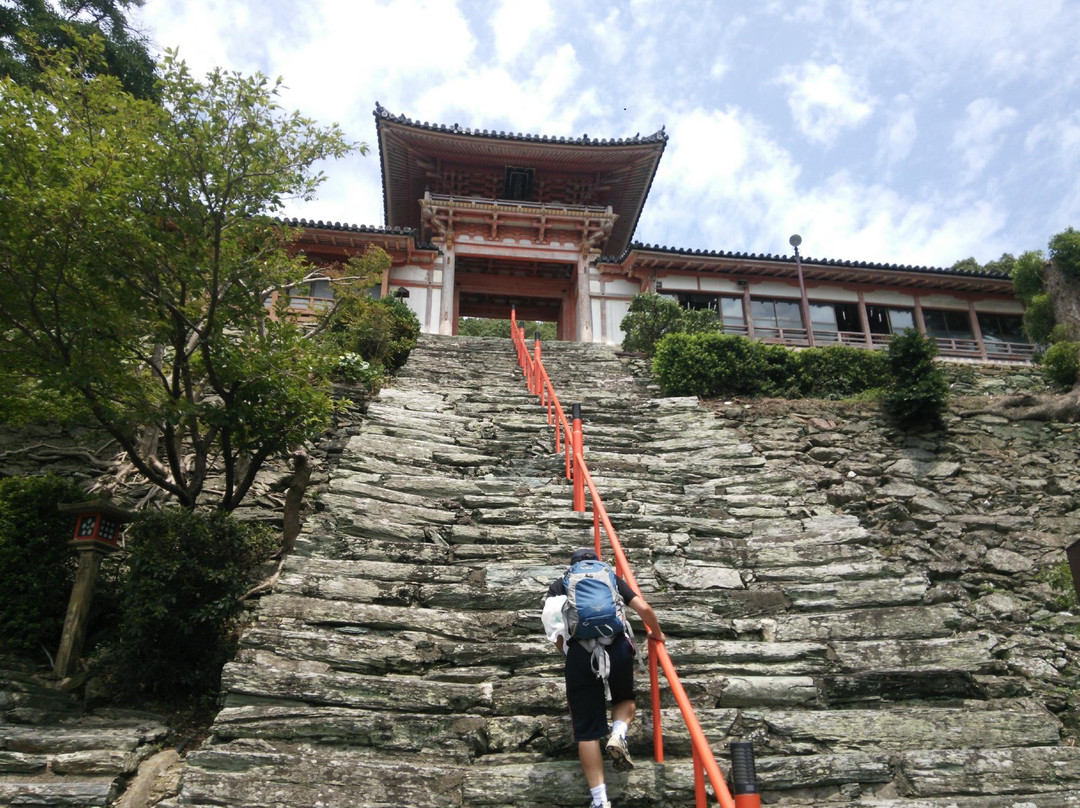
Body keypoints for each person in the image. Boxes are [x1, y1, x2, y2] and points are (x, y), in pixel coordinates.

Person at [543, 548, 666, 808]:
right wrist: (657, 634)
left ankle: (600, 801)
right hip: (617, 647)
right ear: (596, 563)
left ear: (572, 565)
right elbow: (644, 607)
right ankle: (619, 732)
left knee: (587, 731)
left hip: (580, 653)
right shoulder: (609, 576)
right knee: (624, 698)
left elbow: (554, 630)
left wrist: (569, 653)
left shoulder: (561, 583)